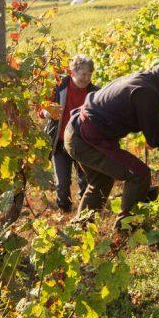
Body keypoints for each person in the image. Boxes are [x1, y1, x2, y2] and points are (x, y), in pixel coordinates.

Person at [64, 56, 159, 228]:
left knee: (102, 181)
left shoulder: (148, 83)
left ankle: (79, 230)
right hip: (84, 140)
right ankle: (125, 229)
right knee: (139, 175)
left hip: (78, 133)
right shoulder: (146, 92)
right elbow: (155, 138)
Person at [43, 55, 99, 212]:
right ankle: (65, 211)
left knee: (85, 182)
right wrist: (45, 113)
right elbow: (42, 108)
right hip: (60, 143)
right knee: (62, 184)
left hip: (84, 144)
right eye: (83, 74)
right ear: (72, 72)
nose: (86, 78)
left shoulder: (95, 93)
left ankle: (85, 213)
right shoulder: (58, 88)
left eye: (89, 74)